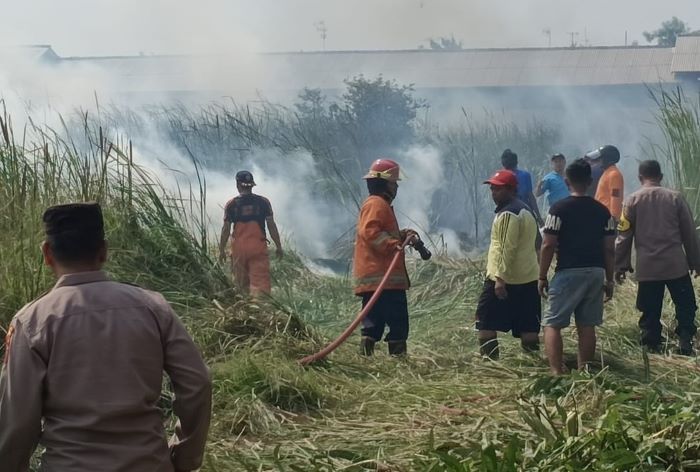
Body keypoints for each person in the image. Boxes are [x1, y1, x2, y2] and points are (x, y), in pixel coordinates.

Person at [0, 203, 212, 472]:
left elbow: (17, 421)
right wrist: (184, 458)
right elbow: (197, 383)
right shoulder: (153, 307)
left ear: (47, 253)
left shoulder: (32, 322)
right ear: (103, 251)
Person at [539, 159, 617, 375]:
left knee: (552, 323)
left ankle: (557, 371)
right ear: (591, 182)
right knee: (587, 325)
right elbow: (610, 250)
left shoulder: (558, 209)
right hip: (595, 273)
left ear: (566, 181)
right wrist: (609, 279)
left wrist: (542, 275)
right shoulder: (603, 212)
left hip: (568, 272)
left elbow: (548, 245)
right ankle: (585, 370)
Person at [615, 160, 700, 355]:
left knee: (649, 308)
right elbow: (689, 234)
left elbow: (623, 236)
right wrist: (696, 262)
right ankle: (685, 341)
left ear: (639, 178)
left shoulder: (631, 201)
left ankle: (651, 344)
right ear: (660, 177)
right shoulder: (675, 198)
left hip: (648, 267)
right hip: (675, 265)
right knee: (685, 305)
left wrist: (621, 265)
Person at [353, 158, 418, 356]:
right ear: (384, 183)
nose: (396, 186)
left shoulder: (377, 204)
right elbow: (370, 232)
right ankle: (399, 364)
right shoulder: (376, 204)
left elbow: (379, 232)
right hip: (385, 281)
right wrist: (394, 244)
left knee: (372, 324)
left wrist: (400, 235)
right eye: (394, 182)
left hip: (376, 281)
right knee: (398, 324)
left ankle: (365, 359)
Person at [475, 169, 541, 359]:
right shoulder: (525, 210)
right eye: (492, 189)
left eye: (498, 189)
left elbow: (505, 248)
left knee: (485, 322)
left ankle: (490, 364)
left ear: (511, 189)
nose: (493, 193)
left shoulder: (508, 214)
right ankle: (533, 363)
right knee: (529, 326)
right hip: (528, 279)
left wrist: (500, 279)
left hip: (503, 279)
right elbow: (538, 243)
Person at [219, 170, 283, 296]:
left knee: (240, 285)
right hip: (258, 248)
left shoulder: (231, 205)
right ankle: (260, 309)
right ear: (252, 185)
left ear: (237, 185)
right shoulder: (263, 202)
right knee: (260, 286)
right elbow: (271, 225)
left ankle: (244, 310)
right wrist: (278, 246)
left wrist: (221, 250)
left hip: (238, 249)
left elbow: (225, 229)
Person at [501, 149, 543, 225]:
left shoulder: (501, 177)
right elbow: (531, 198)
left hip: (509, 216)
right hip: (525, 213)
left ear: (503, 164)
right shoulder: (525, 175)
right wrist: (538, 217)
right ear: (516, 162)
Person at [587, 145, 624, 221]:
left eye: (600, 158)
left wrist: (613, 220)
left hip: (608, 220)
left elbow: (616, 198)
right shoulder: (608, 172)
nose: (598, 161)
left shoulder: (614, 174)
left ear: (607, 159)